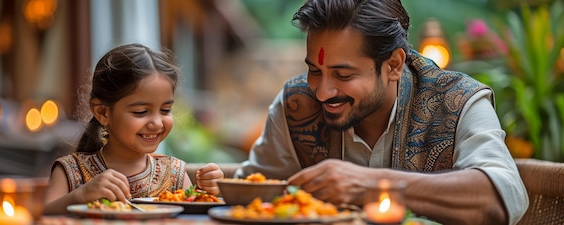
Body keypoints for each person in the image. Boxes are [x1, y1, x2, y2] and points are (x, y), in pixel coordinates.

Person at [234, 0, 528, 224]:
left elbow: (499, 198)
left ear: (393, 65)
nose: (322, 92)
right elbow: (249, 196)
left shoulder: (459, 99)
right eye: (314, 70)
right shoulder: (296, 104)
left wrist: (369, 185)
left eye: (343, 75)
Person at [43, 43, 224, 214]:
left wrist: (207, 193)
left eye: (165, 110)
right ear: (102, 113)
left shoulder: (174, 173)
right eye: (141, 111)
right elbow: (41, 214)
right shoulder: (71, 171)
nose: (157, 123)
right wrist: (80, 196)